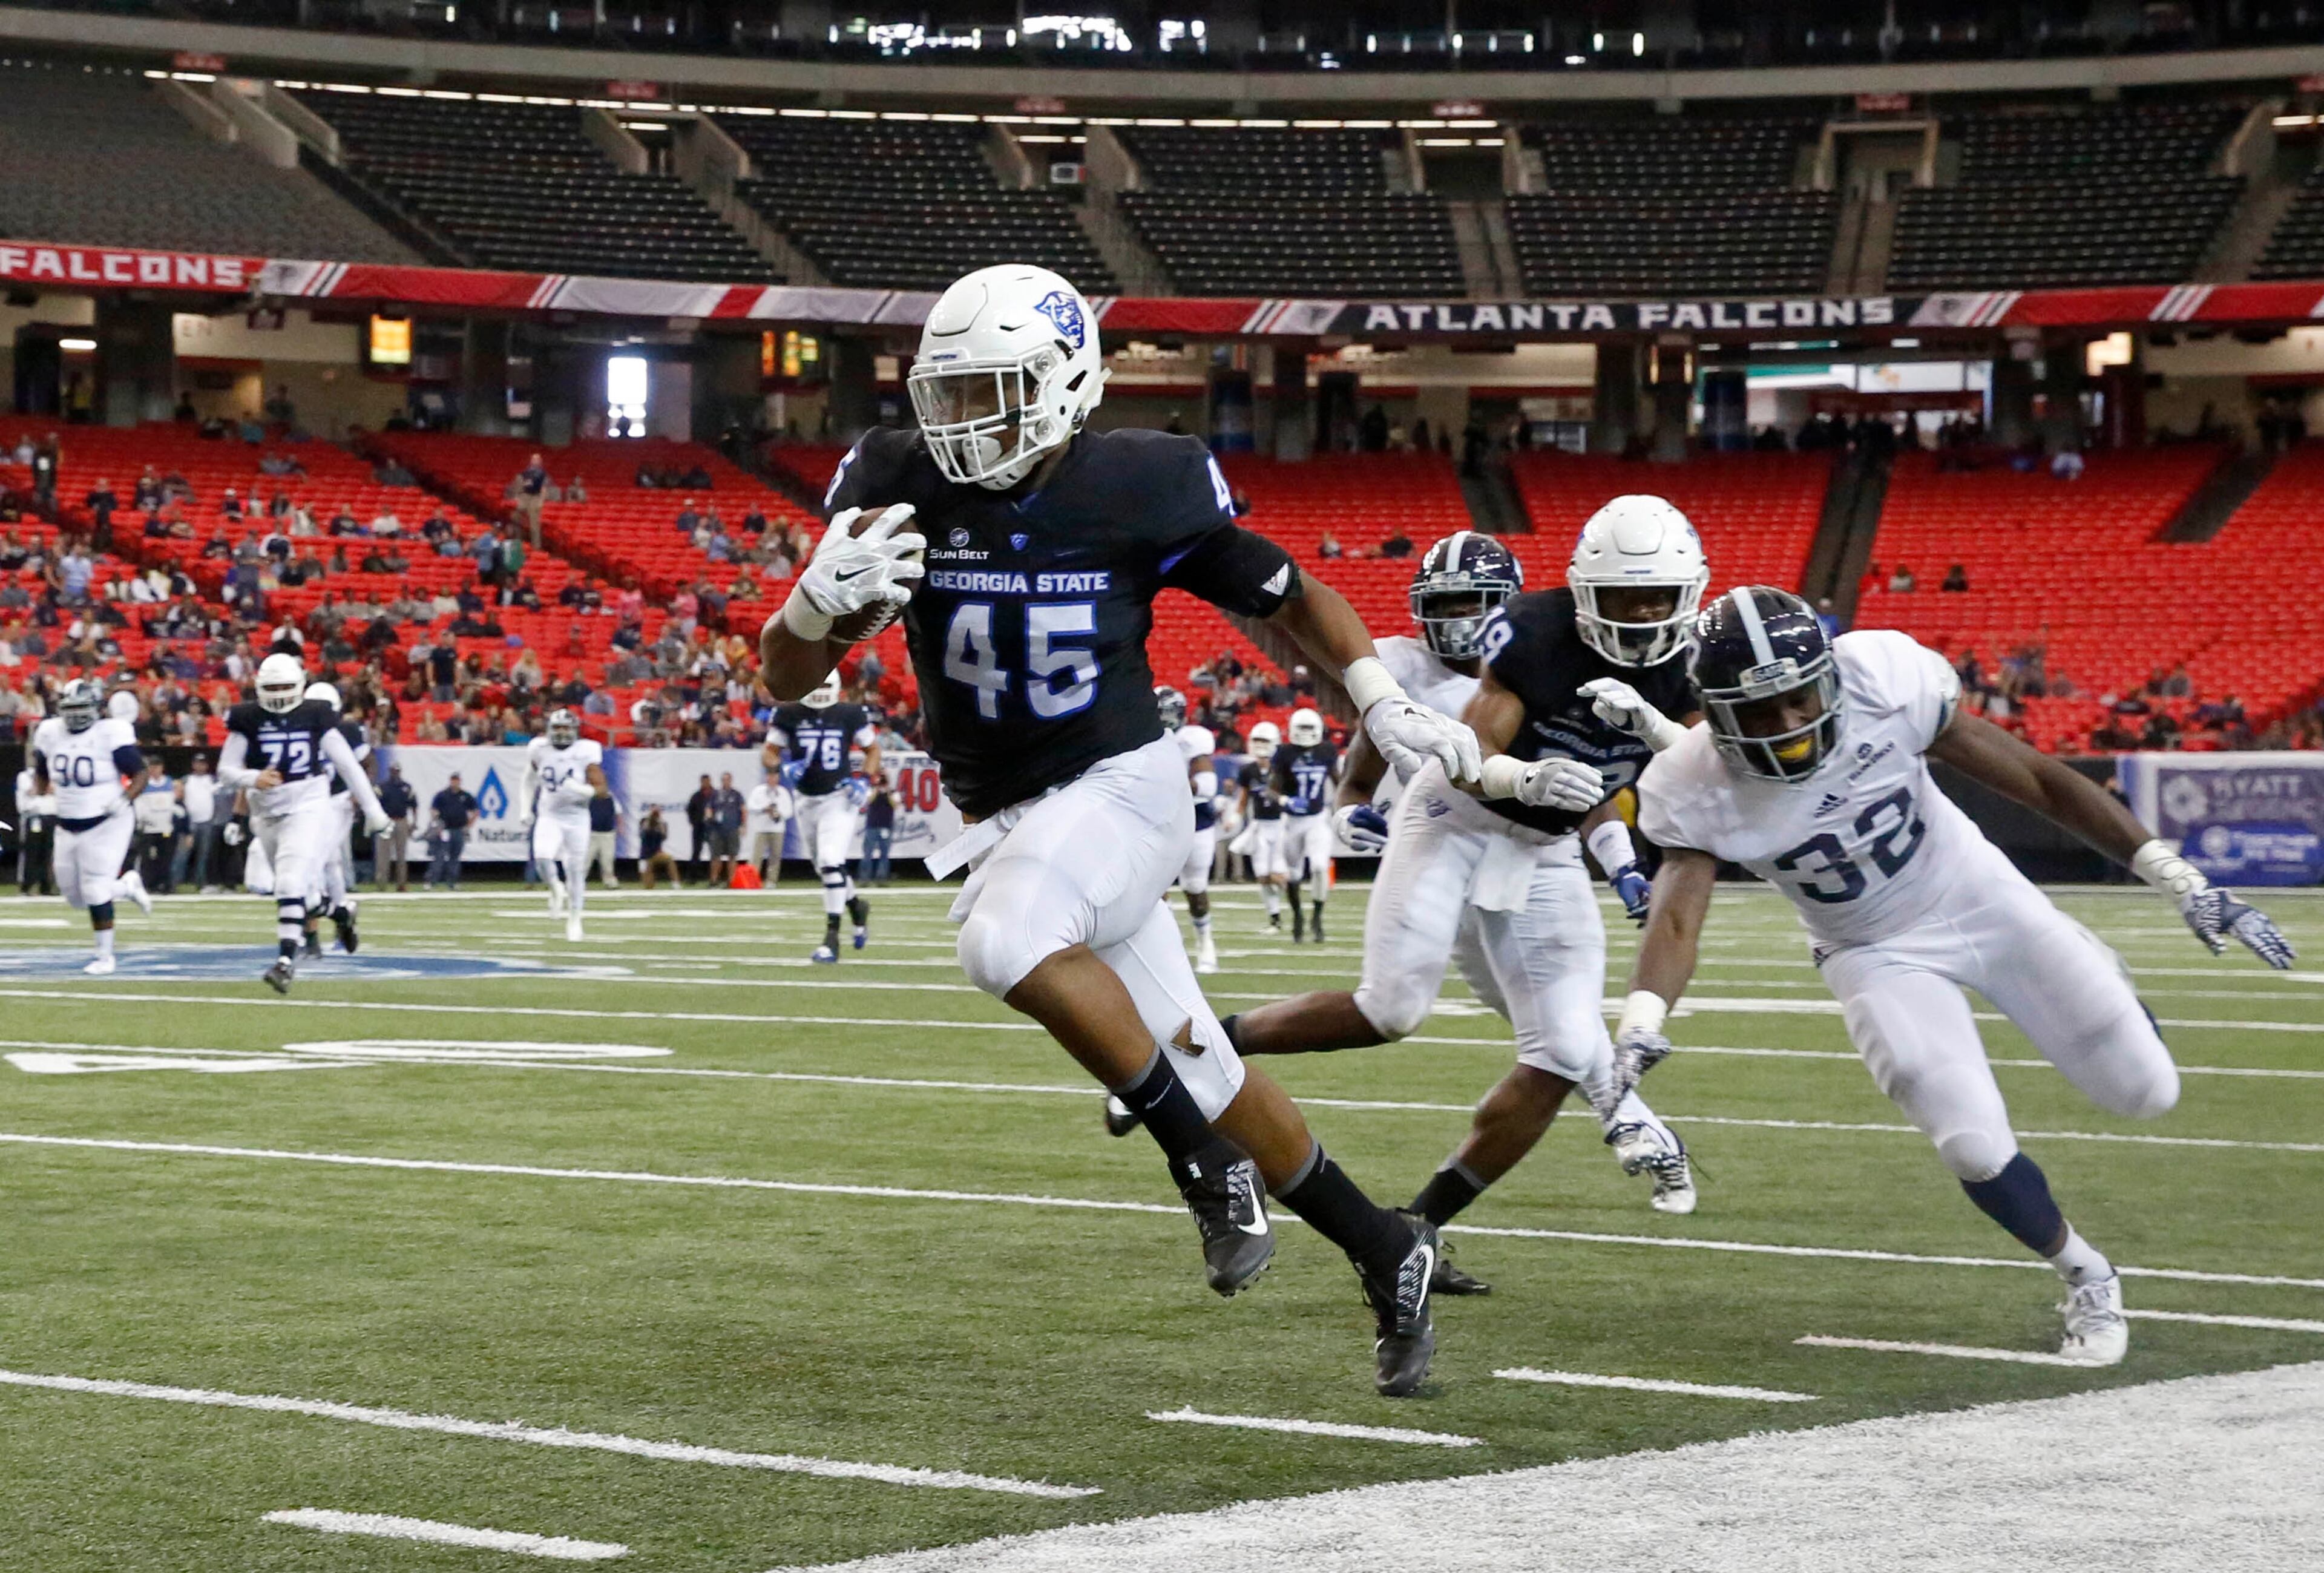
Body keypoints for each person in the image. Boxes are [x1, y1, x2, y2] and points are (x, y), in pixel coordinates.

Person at [769, 263, 1480, 1395]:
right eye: (943, 395)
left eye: (987, 393)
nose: (956, 425)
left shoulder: (1140, 484)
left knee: (1002, 942)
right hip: (1013, 814)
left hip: (1122, 787)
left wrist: (1376, 697)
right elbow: (790, 676)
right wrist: (811, 600)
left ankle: (1203, 1168)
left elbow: (1290, 592)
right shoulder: (897, 481)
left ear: (1062, 386)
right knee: (1201, 1060)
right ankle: (1389, 1246)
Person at [1615, 588, 2296, 1365]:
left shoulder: (1883, 680)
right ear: (1714, 711)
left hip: (1978, 893)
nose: (1787, 724)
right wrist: (1641, 1021)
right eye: (1758, 711)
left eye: (1798, 697)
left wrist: (2180, 878)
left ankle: (2100, 981)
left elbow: (2039, 781)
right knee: (1970, 1143)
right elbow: (1674, 918)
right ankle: (2087, 1273)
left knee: (2147, 1091)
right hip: (1870, 948)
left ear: (1829, 677)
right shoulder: (1690, 784)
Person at [1220, 517, 1702, 1272]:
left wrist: (1639, 791)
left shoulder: (1688, 661)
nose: (1641, 616)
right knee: (1393, 1007)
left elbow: (1680, 779)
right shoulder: (1519, 644)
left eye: (1657, 599)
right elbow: (1465, 759)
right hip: (1457, 817)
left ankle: (1421, 1226)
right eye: (1622, 597)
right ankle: (1210, 1043)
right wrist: (1366, 814)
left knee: (1565, 1047)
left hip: (1541, 849)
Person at [215, 654, 389, 992]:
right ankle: (339, 913)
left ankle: (285, 962)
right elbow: (225, 769)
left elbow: (350, 767)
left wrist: (374, 810)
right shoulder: (247, 718)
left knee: (290, 884)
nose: (279, 693)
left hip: (307, 805)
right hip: (265, 813)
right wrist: (252, 777)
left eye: (285, 686)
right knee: (301, 893)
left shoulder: (316, 715)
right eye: (273, 687)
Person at [28, 679, 151, 974]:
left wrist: (124, 799)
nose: (75, 715)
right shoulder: (49, 733)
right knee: (74, 897)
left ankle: (105, 956)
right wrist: (39, 795)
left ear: (96, 708)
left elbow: (141, 773)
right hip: (67, 823)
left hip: (107, 821)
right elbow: (43, 772)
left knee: (95, 890)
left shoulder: (110, 733)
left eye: (81, 708)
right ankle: (126, 886)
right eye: (70, 709)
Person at [770, 674, 880, 956]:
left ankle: (832, 937)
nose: (818, 692)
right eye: (814, 685)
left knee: (831, 862)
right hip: (805, 800)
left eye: (823, 686)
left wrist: (865, 780)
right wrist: (782, 767)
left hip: (839, 797)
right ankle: (856, 905)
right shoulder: (788, 713)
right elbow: (769, 752)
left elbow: (873, 750)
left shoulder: (850, 714)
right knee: (825, 868)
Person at [521, 708, 612, 941]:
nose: (561, 733)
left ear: (575, 730)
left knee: (575, 871)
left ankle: (575, 919)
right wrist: (524, 808)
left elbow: (603, 790)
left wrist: (581, 790)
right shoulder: (539, 748)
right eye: (557, 728)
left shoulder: (586, 751)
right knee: (542, 858)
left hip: (577, 817)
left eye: (566, 728)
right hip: (549, 814)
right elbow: (528, 780)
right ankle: (555, 888)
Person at [1154, 686, 1219, 973]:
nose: (1165, 720)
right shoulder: (1141, 741)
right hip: (1158, 823)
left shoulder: (1191, 739)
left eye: (1169, 713)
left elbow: (1207, 786)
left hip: (1196, 822)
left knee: (1195, 888)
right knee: (1155, 891)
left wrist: (1171, 784)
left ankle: (1206, 942)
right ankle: (1170, 949)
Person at [301, 681, 369, 956]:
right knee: (327, 864)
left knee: (316, 863)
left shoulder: (348, 730)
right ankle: (341, 915)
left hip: (337, 801)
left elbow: (367, 763)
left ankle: (316, 934)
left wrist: (361, 793)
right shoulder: (300, 730)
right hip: (308, 801)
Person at [1272, 707, 1340, 943]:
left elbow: (1338, 781)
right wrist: (1285, 800)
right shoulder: (1284, 753)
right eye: (1302, 728)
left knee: (1320, 867)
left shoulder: (1327, 751)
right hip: (1292, 822)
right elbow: (1272, 789)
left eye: (1309, 728)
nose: (1305, 733)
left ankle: (1317, 918)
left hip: (1317, 818)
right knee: (1294, 874)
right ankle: (1298, 915)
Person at [1230, 721, 1288, 927]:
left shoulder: (1282, 769)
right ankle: (1275, 919)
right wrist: (1235, 818)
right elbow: (1244, 799)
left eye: (1265, 741)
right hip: (1260, 826)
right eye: (1258, 741)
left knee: (1277, 875)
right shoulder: (1248, 770)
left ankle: (1293, 891)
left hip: (1281, 825)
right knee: (1263, 876)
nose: (1261, 746)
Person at [176, 752, 220, 893]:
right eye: (197, 763)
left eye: (203, 763)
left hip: (207, 821)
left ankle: (201, 882)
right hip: (190, 822)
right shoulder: (186, 780)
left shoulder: (212, 780)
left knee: (204, 855)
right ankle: (175, 882)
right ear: (193, 765)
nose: (200, 766)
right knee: (183, 854)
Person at [427, 773, 478, 890]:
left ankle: (452, 882)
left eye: (457, 780)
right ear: (450, 781)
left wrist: (469, 825)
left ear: (460, 781)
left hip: (459, 830)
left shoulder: (465, 796)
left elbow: (475, 811)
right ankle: (432, 882)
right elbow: (434, 810)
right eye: (453, 780)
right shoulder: (442, 795)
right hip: (445, 830)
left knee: (455, 858)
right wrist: (437, 826)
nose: (455, 783)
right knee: (440, 857)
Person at [746, 771, 793, 883]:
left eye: (775, 777)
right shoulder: (759, 791)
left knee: (775, 856)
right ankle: (753, 880)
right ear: (767, 778)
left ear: (778, 779)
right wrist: (764, 809)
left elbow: (789, 811)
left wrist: (778, 814)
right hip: (761, 828)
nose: (772, 780)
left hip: (777, 829)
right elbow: (751, 806)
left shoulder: (783, 792)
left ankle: (771, 881)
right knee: (757, 856)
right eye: (770, 777)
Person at [377, 762, 417, 892]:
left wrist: (414, 822)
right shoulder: (382, 787)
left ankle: (401, 883)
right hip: (386, 820)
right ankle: (382, 884)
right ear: (390, 771)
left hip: (401, 820)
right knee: (384, 854)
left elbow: (414, 805)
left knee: (402, 854)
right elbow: (376, 805)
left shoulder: (407, 787)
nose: (396, 773)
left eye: (397, 771)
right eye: (394, 771)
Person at [707, 771, 746, 888]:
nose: (726, 782)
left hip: (732, 828)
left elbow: (743, 810)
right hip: (717, 829)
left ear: (731, 781)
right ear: (721, 781)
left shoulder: (737, 794)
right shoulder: (715, 794)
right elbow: (709, 808)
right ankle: (714, 880)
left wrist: (743, 825)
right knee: (715, 856)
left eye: (728, 780)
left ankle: (731, 881)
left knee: (732, 856)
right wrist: (709, 818)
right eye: (724, 780)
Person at [858, 771, 896, 887]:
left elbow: (896, 805)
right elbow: (869, 801)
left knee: (884, 855)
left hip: (886, 826)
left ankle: (882, 879)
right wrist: (876, 788)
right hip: (872, 826)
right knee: (867, 854)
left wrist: (887, 791)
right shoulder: (871, 790)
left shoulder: (893, 792)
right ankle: (864, 879)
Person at [587, 782, 620, 889]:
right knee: (586, 860)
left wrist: (620, 827)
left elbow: (619, 814)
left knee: (608, 860)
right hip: (592, 834)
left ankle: (610, 882)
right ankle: (578, 882)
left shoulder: (612, 799)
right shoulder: (589, 799)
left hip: (608, 834)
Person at [638, 804, 678, 889]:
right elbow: (643, 834)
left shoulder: (662, 823)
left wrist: (660, 824)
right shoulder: (644, 821)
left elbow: (664, 837)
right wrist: (650, 819)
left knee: (670, 860)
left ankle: (676, 883)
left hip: (657, 853)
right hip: (645, 856)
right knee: (649, 886)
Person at [684, 773, 714, 881]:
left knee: (714, 853)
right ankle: (692, 876)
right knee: (696, 851)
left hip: (713, 828)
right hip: (699, 827)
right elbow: (689, 810)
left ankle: (713, 877)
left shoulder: (715, 795)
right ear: (701, 782)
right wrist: (694, 822)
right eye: (704, 781)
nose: (706, 783)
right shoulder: (696, 796)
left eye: (707, 781)